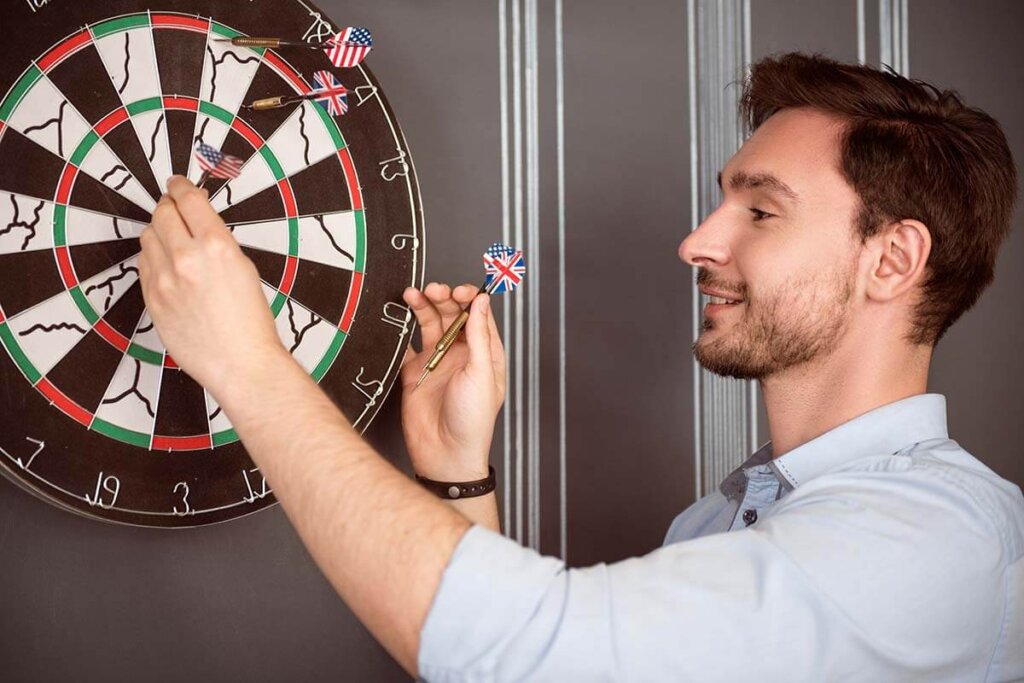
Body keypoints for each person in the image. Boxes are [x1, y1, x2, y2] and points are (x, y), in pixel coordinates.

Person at [139, 52, 1024, 681]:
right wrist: (456, 473)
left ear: (893, 260)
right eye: (724, 199)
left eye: (760, 211)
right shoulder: (716, 525)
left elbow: (537, 650)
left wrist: (244, 363)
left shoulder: (935, 538)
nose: (696, 241)